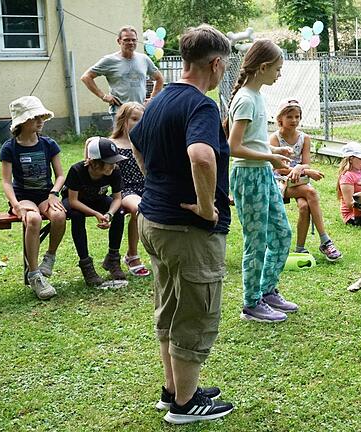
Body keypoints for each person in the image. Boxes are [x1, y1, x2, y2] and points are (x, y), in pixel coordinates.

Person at [128, 25, 234, 425]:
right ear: (216, 63)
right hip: (186, 230)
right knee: (194, 311)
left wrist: (157, 181)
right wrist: (208, 208)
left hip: (154, 221)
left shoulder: (158, 99)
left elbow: (135, 140)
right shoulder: (201, 105)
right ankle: (186, 406)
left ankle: (174, 389)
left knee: (169, 308)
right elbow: (202, 157)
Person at [228, 39, 298, 323]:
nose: (279, 74)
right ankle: (251, 303)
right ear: (264, 67)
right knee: (255, 242)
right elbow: (233, 148)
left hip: (262, 173)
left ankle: (267, 290)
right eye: (277, 69)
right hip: (248, 176)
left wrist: (273, 151)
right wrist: (269, 158)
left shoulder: (257, 96)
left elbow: (252, 142)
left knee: (281, 235)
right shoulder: (245, 98)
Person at [0, 96, 67, 300]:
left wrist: (54, 193)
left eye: (42, 117)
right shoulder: (10, 148)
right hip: (23, 197)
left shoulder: (49, 144)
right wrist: (16, 205)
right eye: (35, 117)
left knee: (59, 217)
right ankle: (34, 274)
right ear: (22, 121)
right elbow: (6, 181)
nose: (40, 121)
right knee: (34, 219)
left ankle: (50, 256)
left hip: (46, 194)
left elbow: (60, 175)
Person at [269, 98, 342, 260]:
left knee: (304, 207)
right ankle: (325, 240)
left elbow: (306, 163)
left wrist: (300, 169)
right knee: (311, 192)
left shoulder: (304, 138)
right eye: (290, 117)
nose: (294, 120)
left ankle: (300, 248)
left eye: (297, 117)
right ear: (280, 119)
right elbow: (278, 167)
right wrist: (305, 172)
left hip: (298, 179)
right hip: (280, 181)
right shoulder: (275, 138)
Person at [63, 137, 127, 286]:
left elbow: (117, 199)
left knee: (120, 211)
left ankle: (113, 258)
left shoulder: (114, 171)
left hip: (98, 199)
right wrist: (96, 214)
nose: (113, 165)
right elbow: (73, 201)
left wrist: (109, 213)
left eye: (114, 161)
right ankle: (86, 265)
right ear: (95, 162)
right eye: (109, 162)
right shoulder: (77, 170)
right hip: (76, 202)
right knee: (77, 216)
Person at [81, 25, 164, 123]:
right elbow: (86, 77)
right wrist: (103, 96)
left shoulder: (144, 59)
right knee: (121, 139)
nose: (131, 43)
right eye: (126, 40)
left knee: (141, 139)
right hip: (119, 112)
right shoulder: (110, 60)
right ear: (119, 41)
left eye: (133, 40)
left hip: (140, 112)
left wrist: (152, 99)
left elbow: (159, 78)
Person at [110, 102, 150, 277]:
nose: (138, 123)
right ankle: (132, 255)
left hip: (146, 186)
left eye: (142, 119)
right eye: (134, 119)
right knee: (140, 208)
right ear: (123, 120)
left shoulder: (145, 142)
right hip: (125, 190)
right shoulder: (112, 144)